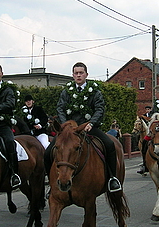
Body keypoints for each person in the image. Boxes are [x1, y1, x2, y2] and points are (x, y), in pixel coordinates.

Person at [45, 62, 122, 192]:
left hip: (88, 127)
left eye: (81, 73)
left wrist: (91, 123)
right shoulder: (66, 91)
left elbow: (99, 109)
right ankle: (51, 184)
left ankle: (112, 178)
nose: (78, 75)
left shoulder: (95, 91)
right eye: (76, 73)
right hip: (69, 131)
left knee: (109, 145)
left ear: (86, 74)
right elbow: (60, 108)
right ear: (73, 75)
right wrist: (65, 126)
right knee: (48, 152)